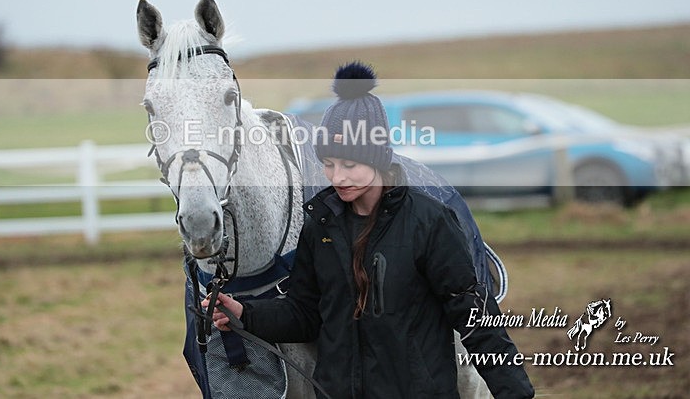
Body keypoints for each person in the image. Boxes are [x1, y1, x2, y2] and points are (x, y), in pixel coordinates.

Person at [203, 62, 535, 398]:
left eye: (349, 164)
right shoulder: (320, 224)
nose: (337, 177)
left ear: (377, 158)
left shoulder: (428, 220)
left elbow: (476, 319)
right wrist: (245, 314)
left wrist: (515, 393)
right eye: (328, 164)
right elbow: (305, 314)